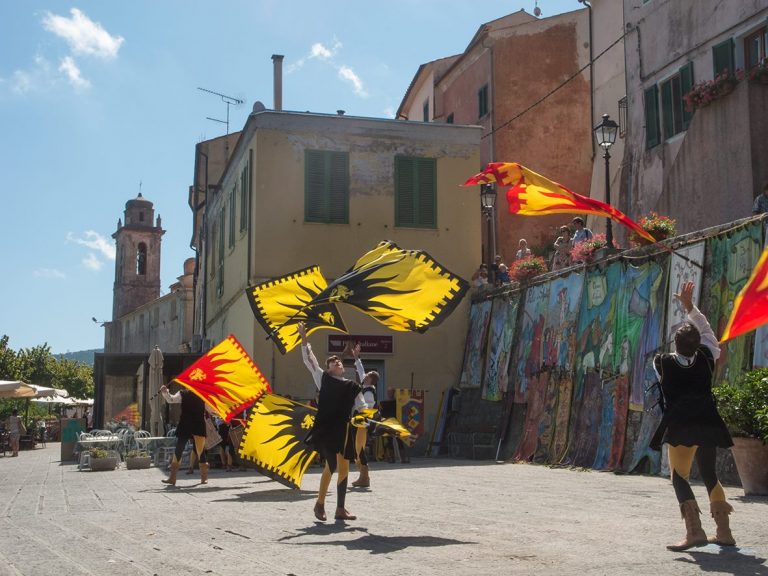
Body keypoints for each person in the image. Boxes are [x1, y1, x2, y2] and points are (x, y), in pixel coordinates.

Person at [650, 281, 736, 551]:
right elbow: (707, 333)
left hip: (681, 425)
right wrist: (691, 308)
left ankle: (695, 531)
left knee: (679, 477)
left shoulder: (661, 362)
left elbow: (668, 370)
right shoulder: (708, 356)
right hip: (708, 422)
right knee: (710, 474)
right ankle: (724, 531)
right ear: (699, 344)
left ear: (675, 344)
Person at [299, 321, 361, 521]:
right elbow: (310, 360)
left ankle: (340, 509)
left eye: (339, 362)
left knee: (344, 468)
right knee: (332, 464)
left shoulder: (351, 386)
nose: (337, 362)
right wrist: (304, 338)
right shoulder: (322, 378)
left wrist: (366, 418)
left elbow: (362, 407)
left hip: (344, 430)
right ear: (328, 368)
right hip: (326, 430)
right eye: (333, 362)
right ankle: (320, 504)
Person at [160, 384, 210, 486]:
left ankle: (203, 478)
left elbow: (210, 409)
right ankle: (173, 478)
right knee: (182, 448)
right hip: (189, 423)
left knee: (199, 450)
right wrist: (165, 392)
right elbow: (171, 399)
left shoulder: (200, 394)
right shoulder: (185, 393)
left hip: (194, 423)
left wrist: (165, 392)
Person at [350, 357, 379, 489]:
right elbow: (361, 371)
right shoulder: (366, 386)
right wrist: (356, 358)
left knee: (359, 448)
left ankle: (364, 477)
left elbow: (367, 408)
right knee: (357, 449)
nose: (365, 375)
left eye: (368, 375)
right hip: (358, 420)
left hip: (361, 421)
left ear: (370, 379)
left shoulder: (369, 392)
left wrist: (360, 420)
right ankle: (362, 476)